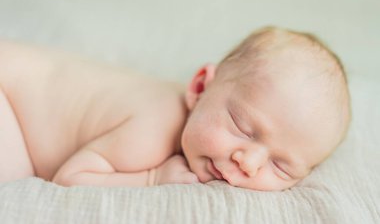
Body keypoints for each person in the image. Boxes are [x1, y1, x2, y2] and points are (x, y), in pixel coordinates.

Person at [0, 26, 351, 191]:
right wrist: (151, 179)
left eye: (281, 166)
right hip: (9, 94)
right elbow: (70, 178)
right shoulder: (153, 130)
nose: (250, 163)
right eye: (243, 127)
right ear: (199, 88)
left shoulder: (208, 126)